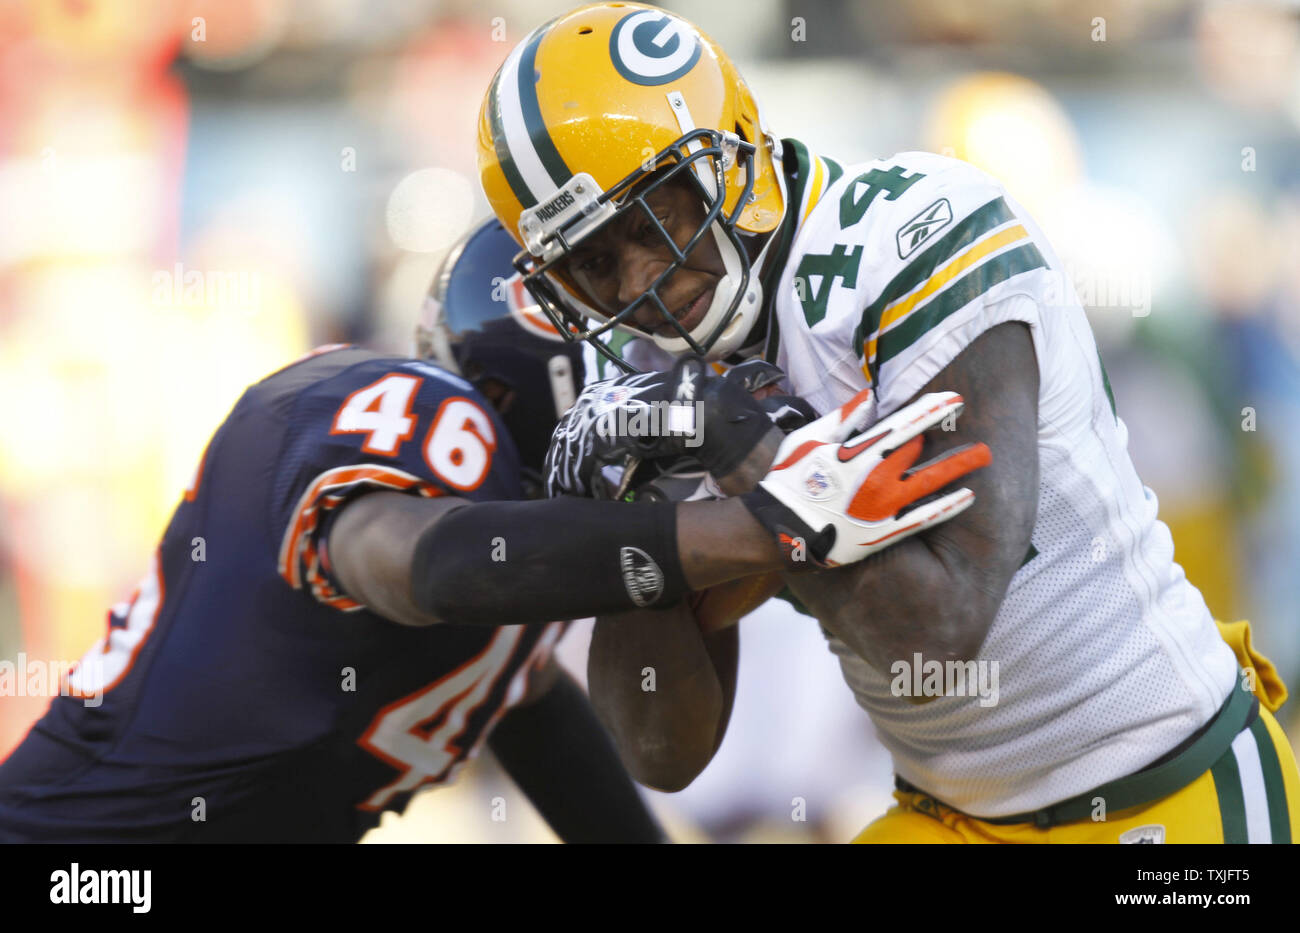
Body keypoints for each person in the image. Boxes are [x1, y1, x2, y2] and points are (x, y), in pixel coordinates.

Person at [481, 2, 1299, 843]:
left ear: (727, 158)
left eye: (654, 216)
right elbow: (661, 749)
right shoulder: (654, 374)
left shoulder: (907, 235)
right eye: (593, 261)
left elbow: (938, 639)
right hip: (948, 812)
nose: (635, 283)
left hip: (1162, 783)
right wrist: (633, 544)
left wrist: (745, 446)